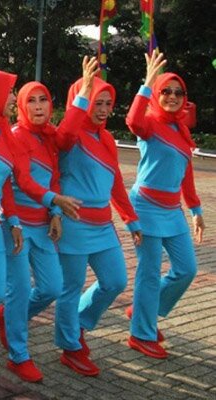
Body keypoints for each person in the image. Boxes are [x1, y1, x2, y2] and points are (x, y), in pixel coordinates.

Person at [54, 56, 142, 377]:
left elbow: (116, 182)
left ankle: (78, 323)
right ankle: (70, 347)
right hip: (73, 224)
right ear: (82, 100)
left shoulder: (106, 138)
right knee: (70, 287)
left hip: (103, 226)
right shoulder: (71, 136)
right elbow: (63, 135)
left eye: (107, 102)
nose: (103, 108)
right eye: (96, 101)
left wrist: (131, 219)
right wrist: (84, 90)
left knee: (116, 280)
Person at [124, 50, 205, 359]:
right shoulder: (150, 123)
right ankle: (141, 334)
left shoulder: (181, 130)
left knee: (186, 269)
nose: (172, 96)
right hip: (144, 207)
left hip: (173, 211)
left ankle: (143, 309)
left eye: (178, 92)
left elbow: (185, 175)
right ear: (157, 95)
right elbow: (132, 119)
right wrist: (146, 83)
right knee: (148, 271)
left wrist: (196, 210)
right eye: (166, 91)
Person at [0, 81, 80, 382]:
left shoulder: (50, 138)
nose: (37, 106)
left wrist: (56, 213)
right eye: (30, 101)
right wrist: (15, 220)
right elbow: (18, 182)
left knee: (52, 288)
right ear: (21, 106)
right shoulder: (16, 136)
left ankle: (10, 320)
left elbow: (54, 179)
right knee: (18, 289)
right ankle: (18, 354)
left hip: (43, 225)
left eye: (43, 100)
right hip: (16, 226)